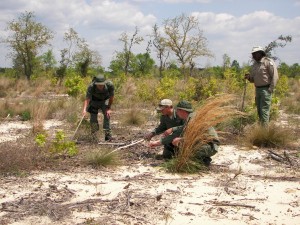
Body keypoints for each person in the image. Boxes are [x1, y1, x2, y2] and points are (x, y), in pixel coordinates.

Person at [149, 100, 220, 166]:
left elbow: (196, 137)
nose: (176, 112)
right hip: (204, 144)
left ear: (182, 111)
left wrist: (181, 140)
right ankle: (199, 159)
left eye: (178, 110)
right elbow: (179, 131)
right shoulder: (190, 117)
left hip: (210, 145)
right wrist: (159, 142)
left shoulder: (193, 119)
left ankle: (203, 160)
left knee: (185, 154)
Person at [245, 46, 279, 126]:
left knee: (264, 111)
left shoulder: (268, 62)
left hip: (266, 90)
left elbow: (275, 77)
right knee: (259, 111)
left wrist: (270, 90)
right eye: (253, 54)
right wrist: (249, 77)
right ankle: (261, 131)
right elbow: (253, 79)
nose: (253, 56)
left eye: (255, 54)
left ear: (260, 53)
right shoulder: (255, 65)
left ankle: (265, 134)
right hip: (258, 90)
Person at [82, 74, 114, 141]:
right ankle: (94, 135)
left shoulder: (110, 85)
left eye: (101, 84)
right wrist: (84, 110)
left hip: (105, 101)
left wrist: (109, 108)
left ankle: (107, 135)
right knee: (93, 118)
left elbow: (111, 98)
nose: (100, 86)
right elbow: (87, 99)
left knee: (107, 115)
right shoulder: (91, 86)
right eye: (98, 84)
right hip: (94, 101)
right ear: (95, 83)